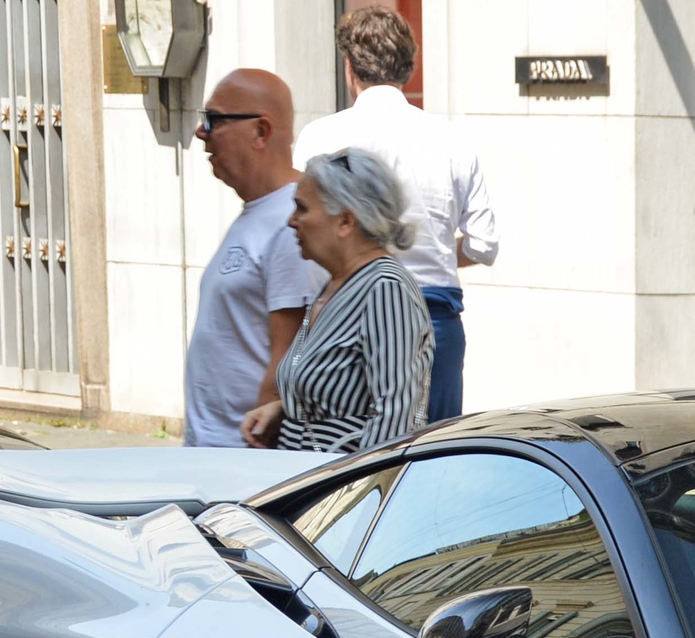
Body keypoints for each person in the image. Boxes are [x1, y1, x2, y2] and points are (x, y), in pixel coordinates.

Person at [294, 6, 495, 422]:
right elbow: (484, 245)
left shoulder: (320, 136)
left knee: (347, 462)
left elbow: (302, 231)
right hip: (434, 316)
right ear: (407, 67)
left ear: (349, 68)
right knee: (430, 461)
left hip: (346, 316)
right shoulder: (454, 140)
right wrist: (435, 249)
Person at [243, 149, 431, 454]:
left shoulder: (385, 288)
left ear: (345, 220)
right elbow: (339, 395)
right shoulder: (335, 286)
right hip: (306, 487)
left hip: (344, 495)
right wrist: (284, 411)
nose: (291, 222)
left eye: (302, 209)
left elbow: (396, 418)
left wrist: (353, 497)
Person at [183, 69, 325, 449]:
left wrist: (253, 456)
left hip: (240, 461)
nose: (202, 133)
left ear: (261, 131)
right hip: (214, 454)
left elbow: (288, 355)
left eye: (214, 120)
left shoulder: (293, 220)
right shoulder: (261, 211)